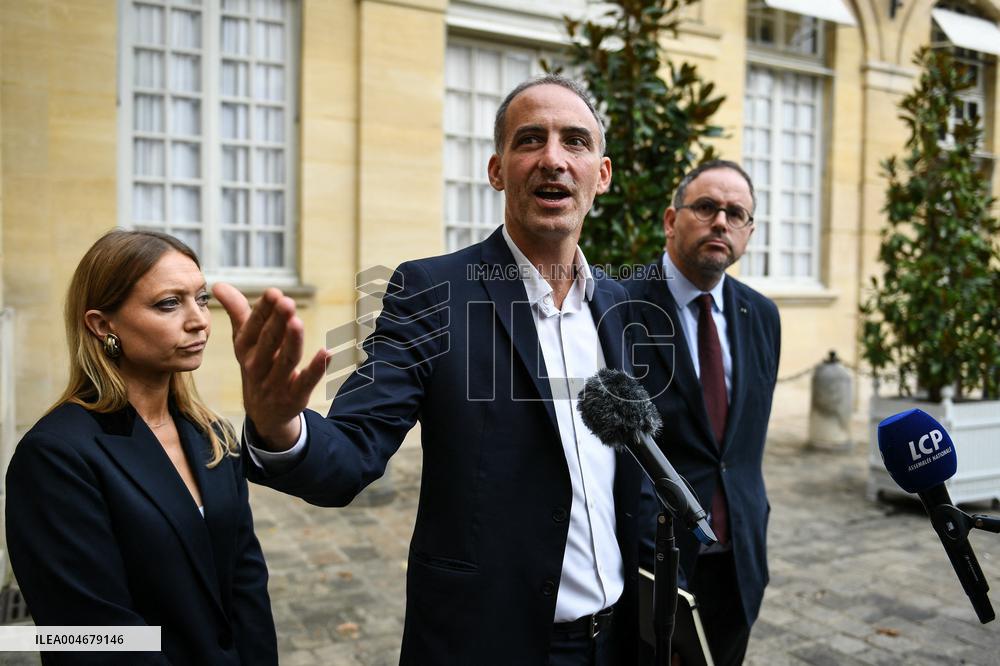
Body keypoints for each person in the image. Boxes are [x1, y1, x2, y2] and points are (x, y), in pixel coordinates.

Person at [212, 75, 643, 665]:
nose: (553, 159)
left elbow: (634, 473)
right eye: (529, 141)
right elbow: (354, 450)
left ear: (603, 172)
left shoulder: (619, 305)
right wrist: (281, 426)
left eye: (575, 142)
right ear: (497, 170)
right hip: (487, 642)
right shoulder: (433, 292)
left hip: (617, 640)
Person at [5, 230, 278, 666]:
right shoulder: (56, 456)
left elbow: (246, 584)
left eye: (201, 298)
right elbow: (90, 635)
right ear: (101, 324)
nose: (199, 320)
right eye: (169, 303)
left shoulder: (213, 433)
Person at [623, 161, 781, 665]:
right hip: (652, 564)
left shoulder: (762, 315)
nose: (721, 222)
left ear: (749, 232)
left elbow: (739, 448)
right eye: (707, 207)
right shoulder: (618, 305)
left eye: (737, 214)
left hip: (738, 561)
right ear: (671, 220)